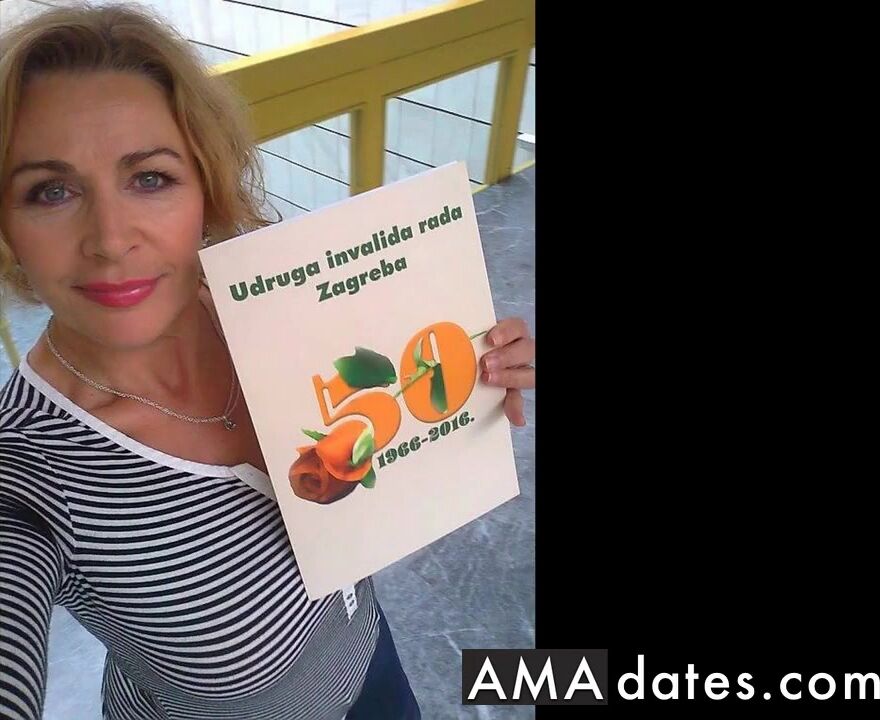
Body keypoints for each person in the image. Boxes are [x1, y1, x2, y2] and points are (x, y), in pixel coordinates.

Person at [0, 4, 536, 720]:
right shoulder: (30, 470)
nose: (110, 237)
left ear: (204, 187)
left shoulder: (291, 310)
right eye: (51, 191)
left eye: (150, 178)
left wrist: (476, 375)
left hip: (371, 662)